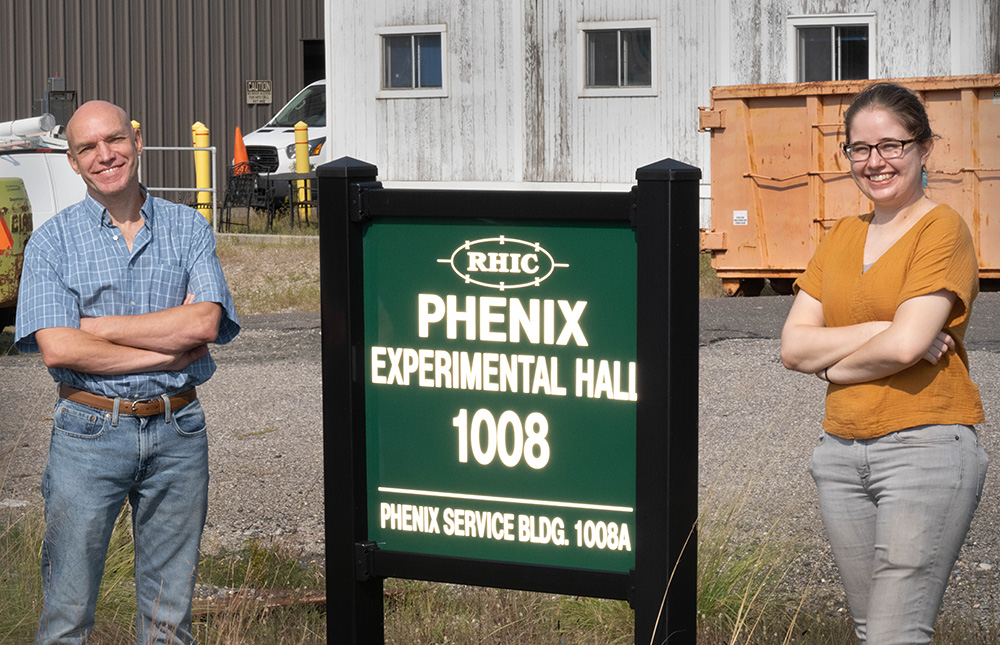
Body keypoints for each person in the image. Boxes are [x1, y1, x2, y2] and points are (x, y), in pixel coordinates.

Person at [14, 100, 240, 644]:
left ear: (136, 142)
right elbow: (57, 348)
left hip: (177, 432)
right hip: (88, 433)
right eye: (87, 148)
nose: (104, 155)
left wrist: (97, 327)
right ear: (71, 162)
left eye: (113, 140)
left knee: (170, 620)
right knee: (67, 615)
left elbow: (206, 321)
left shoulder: (188, 227)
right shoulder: (51, 242)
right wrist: (164, 352)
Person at [780, 81, 987, 644]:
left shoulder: (942, 230)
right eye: (860, 149)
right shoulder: (840, 236)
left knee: (897, 634)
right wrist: (882, 328)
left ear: (924, 148)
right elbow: (793, 347)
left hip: (925, 448)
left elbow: (906, 346)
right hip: (841, 453)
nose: (876, 162)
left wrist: (838, 366)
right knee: (874, 631)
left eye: (891, 146)